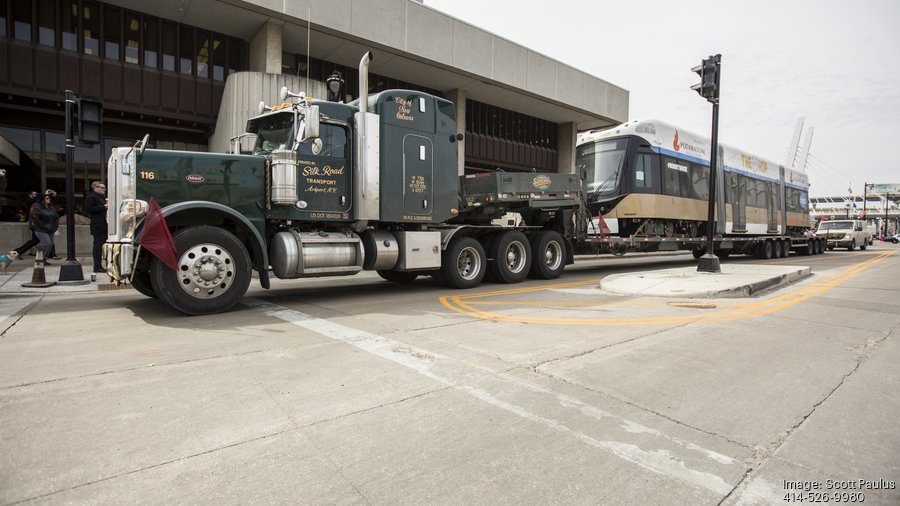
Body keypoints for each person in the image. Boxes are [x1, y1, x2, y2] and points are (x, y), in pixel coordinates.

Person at [29, 190, 60, 263]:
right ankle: (41, 258)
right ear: (42, 199)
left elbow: (56, 217)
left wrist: (55, 226)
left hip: (51, 228)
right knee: (47, 243)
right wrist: (44, 226)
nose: (48, 199)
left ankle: (44, 259)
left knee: (50, 244)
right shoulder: (36, 206)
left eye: (49, 198)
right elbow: (35, 218)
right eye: (46, 198)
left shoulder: (51, 207)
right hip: (41, 229)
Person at [84, 181, 108, 273]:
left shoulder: (101, 197)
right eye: (102, 187)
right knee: (98, 246)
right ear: (95, 187)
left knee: (102, 246)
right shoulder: (91, 197)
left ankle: (101, 265)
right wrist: (104, 207)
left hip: (103, 224)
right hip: (98, 224)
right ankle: (97, 266)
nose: (104, 189)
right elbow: (88, 209)